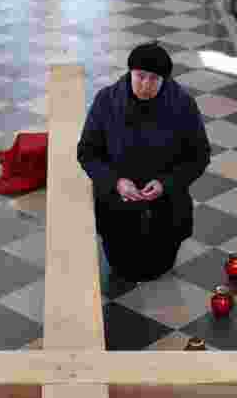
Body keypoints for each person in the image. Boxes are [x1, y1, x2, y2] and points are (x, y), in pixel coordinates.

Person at [77, 41, 211, 283]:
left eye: (153, 79)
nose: (146, 85)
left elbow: (199, 156)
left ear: (165, 80)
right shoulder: (107, 101)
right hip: (117, 207)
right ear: (130, 72)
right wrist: (116, 182)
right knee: (123, 266)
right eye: (140, 76)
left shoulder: (183, 105)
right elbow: (87, 152)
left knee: (157, 266)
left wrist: (165, 183)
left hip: (166, 208)